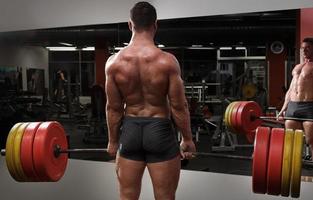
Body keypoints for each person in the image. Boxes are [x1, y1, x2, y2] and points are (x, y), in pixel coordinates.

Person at [105, 2, 196, 200]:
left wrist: (113, 141)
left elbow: (113, 108)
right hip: (160, 130)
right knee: (165, 196)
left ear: (130, 25)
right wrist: (187, 139)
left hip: (130, 131)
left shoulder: (114, 63)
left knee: (127, 196)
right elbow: (179, 106)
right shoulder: (167, 61)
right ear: (156, 25)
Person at [277, 37, 313, 158]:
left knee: (311, 141)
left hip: (309, 106)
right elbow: (290, 90)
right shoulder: (297, 67)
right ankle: (292, 171)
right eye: (303, 48)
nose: (304, 50)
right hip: (293, 106)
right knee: (291, 141)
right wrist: (283, 109)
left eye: (307, 48)